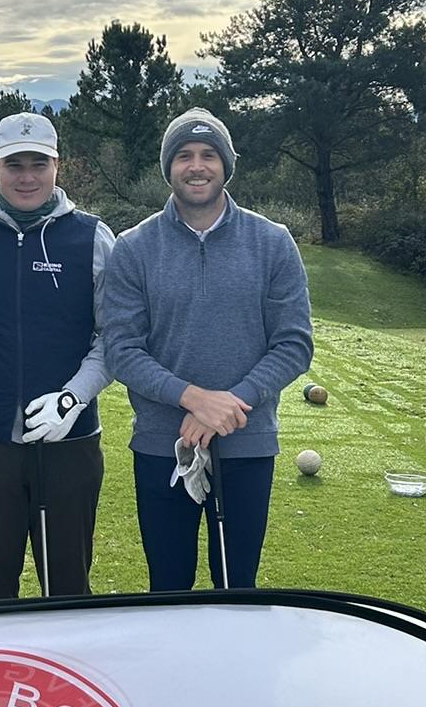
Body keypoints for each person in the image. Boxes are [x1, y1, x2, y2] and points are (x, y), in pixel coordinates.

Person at [102, 106, 312, 592]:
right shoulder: (134, 247)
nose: (196, 166)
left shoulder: (272, 242)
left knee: (236, 589)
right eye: (184, 156)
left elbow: (294, 344)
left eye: (208, 155)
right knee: (167, 587)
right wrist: (194, 398)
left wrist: (227, 405)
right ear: (168, 168)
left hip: (247, 444)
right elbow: (122, 349)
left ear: (225, 166)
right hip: (163, 444)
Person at [0, 111, 115, 598]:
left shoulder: (92, 238)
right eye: (15, 164)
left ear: (58, 166)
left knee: (68, 589)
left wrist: (73, 398)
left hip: (70, 442)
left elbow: (114, 338)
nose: (27, 177)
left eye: (40, 164)